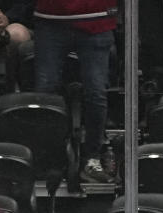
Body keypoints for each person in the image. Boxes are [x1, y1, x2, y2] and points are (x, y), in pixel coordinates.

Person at [33, 0, 117, 183]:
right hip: (50, 22)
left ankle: (92, 158)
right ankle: (50, 158)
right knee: (45, 94)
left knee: (96, 92)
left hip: (97, 21)